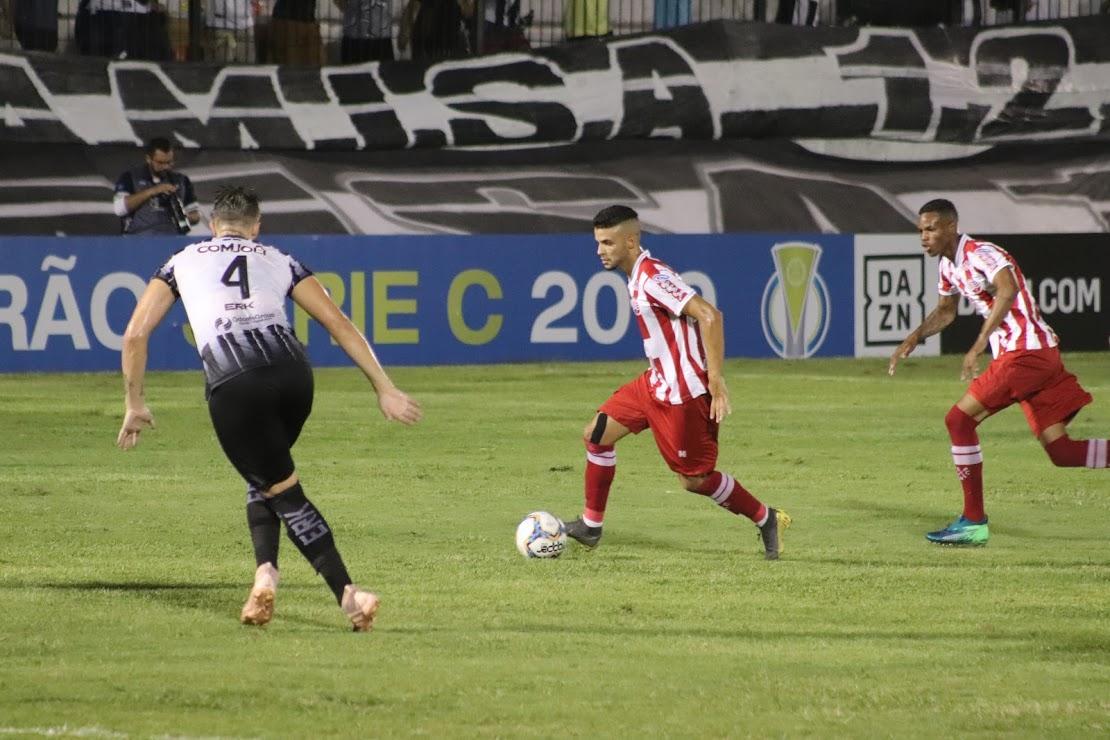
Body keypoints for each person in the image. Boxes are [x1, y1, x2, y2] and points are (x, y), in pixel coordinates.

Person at [116, 186, 423, 631]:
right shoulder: (279, 258)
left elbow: (134, 336)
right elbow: (337, 322)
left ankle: (350, 595)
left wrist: (134, 402)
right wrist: (384, 387)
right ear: (256, 227)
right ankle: (265, 577)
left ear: (211, 224)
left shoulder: (180, 261)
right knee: (264, 472)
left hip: (237, 381)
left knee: (282, 488)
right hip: (294, 375)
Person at [561, 206, 792, 560]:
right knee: (596, 434)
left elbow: (710, 315)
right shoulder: (637, 276)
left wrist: (715, 378)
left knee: (694, 480)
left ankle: (766, 518)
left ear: (631, 240)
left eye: (607, 242)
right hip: (653, 385)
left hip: (683, 395)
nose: (600, 250)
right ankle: (591, 526)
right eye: (598, 242)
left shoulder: (653, 277)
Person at [888, 199, 1107, 546]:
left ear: (950, 227)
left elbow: (1008, 289)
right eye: (920, 231)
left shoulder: (981, 253)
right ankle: (972, 521)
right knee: (1062, 452)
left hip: (1025, 354)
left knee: (958, 421)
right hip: (1037, 356)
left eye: (929, 229)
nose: (923, 237)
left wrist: (979, 344)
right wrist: (915, 336)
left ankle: (973, 522)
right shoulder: (948, 266)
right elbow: (946, 311)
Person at [113, 137, 201, 236]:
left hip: (173, 241)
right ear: (148, 159)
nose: (166, 167)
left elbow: (195, 216)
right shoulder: (130, 177)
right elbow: (119, 209)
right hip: (139, 240)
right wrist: (153, 191)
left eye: (169, 162)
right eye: (160, 163)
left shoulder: (181, 180)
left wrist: (182, 215)